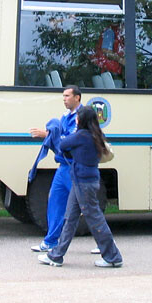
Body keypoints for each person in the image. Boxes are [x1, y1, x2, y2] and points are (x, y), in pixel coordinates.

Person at [38, 105, 123, 268]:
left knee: (94, 217)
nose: (75, 119)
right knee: (70, 218)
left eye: (77, 117)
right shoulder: (94, 134)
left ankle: (113, 256)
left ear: (81, 120)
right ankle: (56, 255)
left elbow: (63, 145)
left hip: (83, 182)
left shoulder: (81, 135)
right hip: (84, 180)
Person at [29, 85, 82, 253]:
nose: (64, 99)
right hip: (63, 168)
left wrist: (47, 135)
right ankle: (51, 241)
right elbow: (60, 139)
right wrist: (52, 134)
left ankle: (103, 244)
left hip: (76, 168)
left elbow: (70, 139)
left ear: (77, 98)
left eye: (67, 96)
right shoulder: (65, 116)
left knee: (88, 207)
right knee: (55, 203)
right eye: (63, 96)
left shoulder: (83, 116)